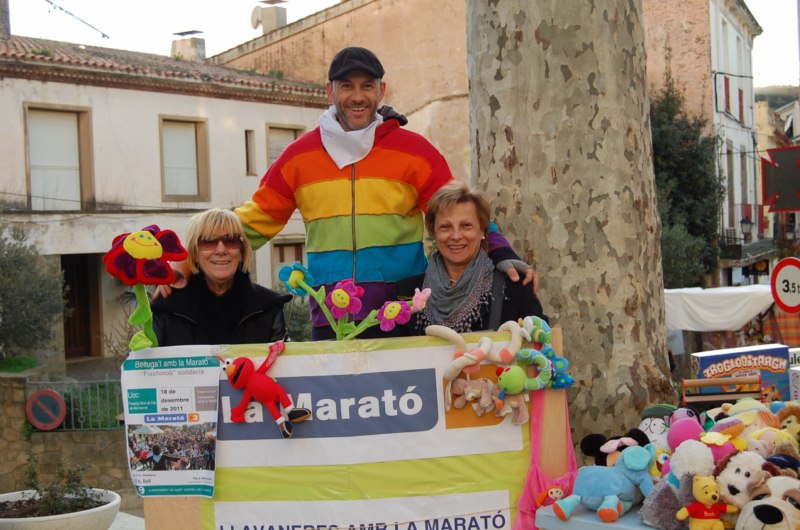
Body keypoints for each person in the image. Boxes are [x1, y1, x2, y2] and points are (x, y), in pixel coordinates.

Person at [233, 46, 536, 339]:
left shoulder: (415, 151)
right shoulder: (298, 156)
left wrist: (500, 251)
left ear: (382, 90)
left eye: (367, 86)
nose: (357, 96)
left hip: (402, 315)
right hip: (329, 318)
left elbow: (460, 212)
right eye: (346, 86)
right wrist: (190, 259)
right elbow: (255, 220)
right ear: (330, 91)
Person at [399, 182, 546, 333]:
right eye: (445, 227)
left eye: (466, 226)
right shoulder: (404, 294)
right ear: (433, 232)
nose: (456, 236)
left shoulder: (515, 289)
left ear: (482, 230)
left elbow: (539, 346)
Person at [151, 208, 291, 346]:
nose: (221, 250)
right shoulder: (167, 309)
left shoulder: (269, 307)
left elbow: (282, 364)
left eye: (231, 240)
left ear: (242, 250)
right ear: (194, 252)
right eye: (208, 241)